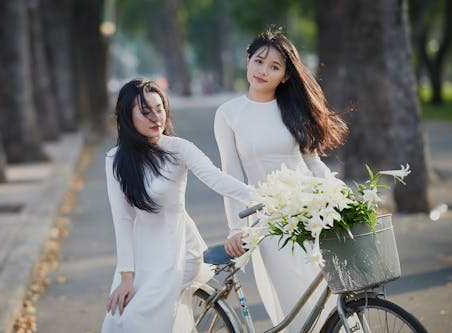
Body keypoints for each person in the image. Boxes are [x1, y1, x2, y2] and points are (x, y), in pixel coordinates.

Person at [214, 28, 348, 332]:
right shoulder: (228, 114)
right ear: (248, 60)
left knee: (333, 298)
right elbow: (230, 175)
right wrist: (238, 228)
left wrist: (340, 196)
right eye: (259, 61)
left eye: (275, 67)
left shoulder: (292, 109)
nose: (264, 71)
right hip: (272, 223)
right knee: (298, 303)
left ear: (286, 76)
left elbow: (313, 162)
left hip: (313, 212)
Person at [101, 79, 254, 333]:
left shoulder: (178, 149)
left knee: (137, 320)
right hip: (140, 258)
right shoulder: (115, 160)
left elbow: (217, 179)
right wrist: (126, 276)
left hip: (178, 252)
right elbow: (123, 220)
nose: (156, 117)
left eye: (160, 108)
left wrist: (265, 196)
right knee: (118, 318)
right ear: (128, 116)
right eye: (146, 111)